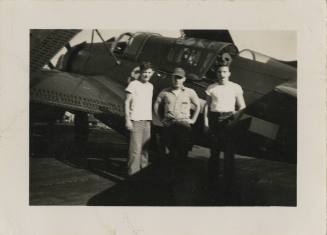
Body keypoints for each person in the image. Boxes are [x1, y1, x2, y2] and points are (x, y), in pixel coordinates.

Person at [203, 63, 246, 186]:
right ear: (217, 74)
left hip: (229, 119)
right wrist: (205, 123)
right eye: (219, 72)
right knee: (214, 150)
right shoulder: (211, 88)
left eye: (224, 72)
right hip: (214, 119)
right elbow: (207, 106)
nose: (222, 74)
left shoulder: (236, 87)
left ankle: (229, 181)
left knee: (229, 152)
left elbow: (242, 106)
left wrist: (234, 121)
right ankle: (212, 179)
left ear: (229, 73)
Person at [154, 67, 200, 167]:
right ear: (172, 78)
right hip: (169, 124)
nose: (177, 80)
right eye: (175, 77)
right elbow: (157, 104)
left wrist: (193, 120)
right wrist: (161, 119)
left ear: (184, 79)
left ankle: (178, 176)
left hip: (183, 125)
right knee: (166, 153)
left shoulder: (190, 92)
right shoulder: (165, 92)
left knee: (182, 154)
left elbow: (198, 106)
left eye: (179, 78)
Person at [125, 62, 154, 176]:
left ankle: (143, 174)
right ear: (140, 73)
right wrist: (128, 120)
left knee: (145, 150)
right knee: (135, 151)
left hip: (147, 121)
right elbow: (127, 102)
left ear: (152, 73)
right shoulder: (133, 84)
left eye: (149, 72)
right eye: (144, 72)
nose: (146, 75)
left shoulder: (151, 86)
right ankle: (133, 176)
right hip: (136, 121)